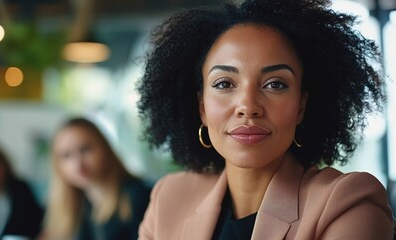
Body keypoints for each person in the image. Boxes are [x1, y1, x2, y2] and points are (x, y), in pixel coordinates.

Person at [136, 0, 394, 239]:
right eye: (224, 83)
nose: (248, 106)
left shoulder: (348, 204)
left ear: (301, 107)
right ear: (202, 107)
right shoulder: (168, 198)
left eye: (275, 84)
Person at [45, 117, 150, 240]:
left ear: (105, 148)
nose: (77, 164)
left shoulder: (137, 196)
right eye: (66, 155)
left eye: (85, 149)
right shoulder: (74, 204)